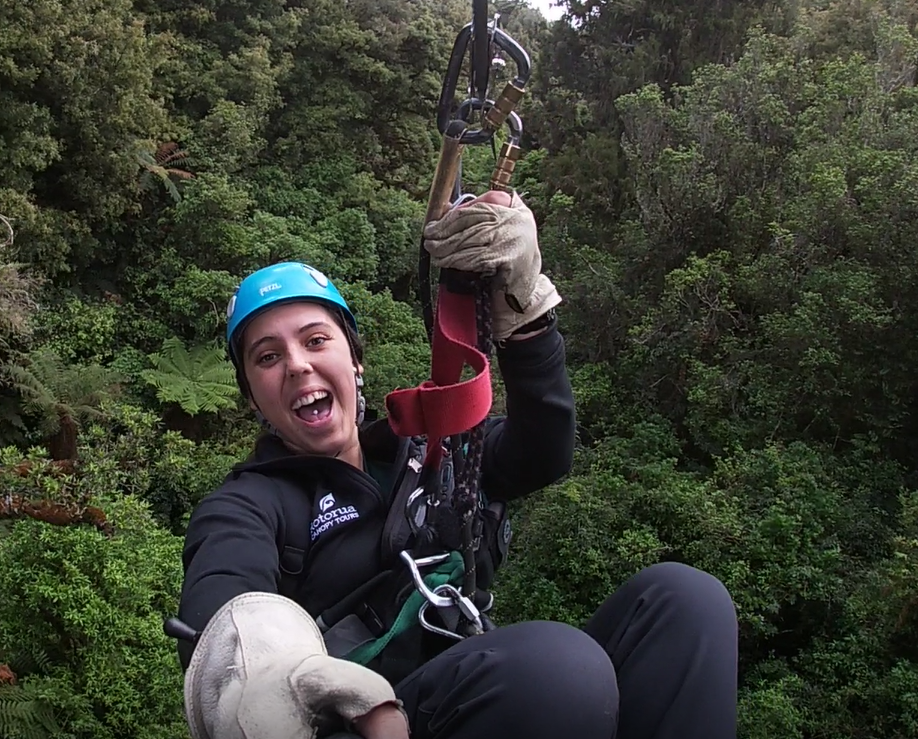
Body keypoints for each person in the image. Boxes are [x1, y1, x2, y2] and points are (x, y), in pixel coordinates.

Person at [175, 191, 738, 739]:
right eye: (268, 357)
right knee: (557, 669)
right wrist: (265, 676)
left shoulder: (426, 451)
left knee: (685, 603)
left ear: (356, 361)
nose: (297, 366)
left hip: (472, 685)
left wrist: (525, 316)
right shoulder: (248, 506)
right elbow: (225, 619)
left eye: (316, 340)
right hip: (372, 719)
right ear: (253, 396)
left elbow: (541, 453)